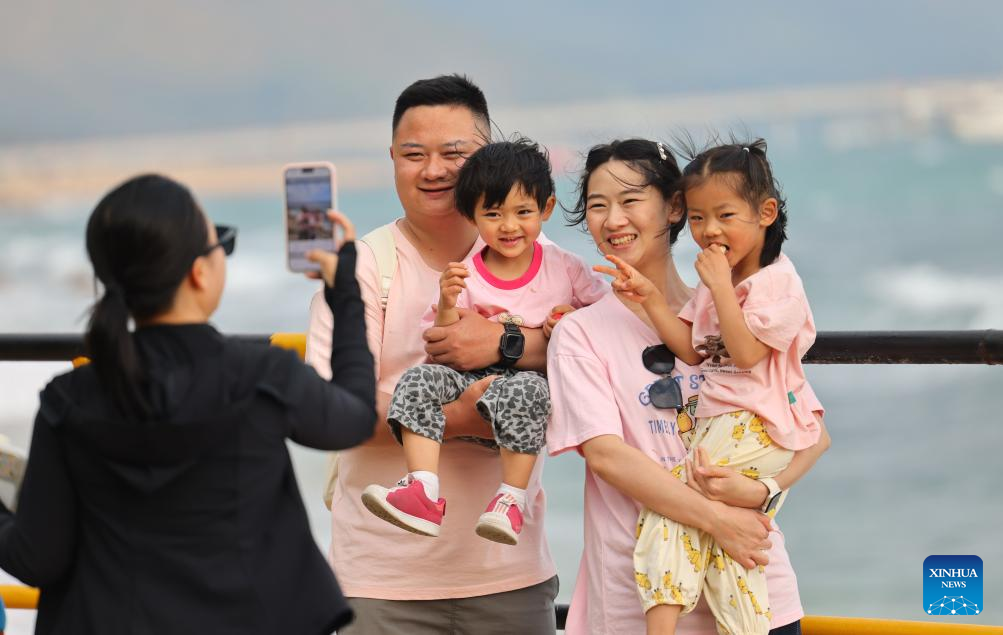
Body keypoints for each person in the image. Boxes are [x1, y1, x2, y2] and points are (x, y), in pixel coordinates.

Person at [0, 174, 375, 634]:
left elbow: (37, 558)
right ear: (199, 272)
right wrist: (346, 295)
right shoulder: (263, 374)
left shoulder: (68, 399)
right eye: (220, 243)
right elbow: (354, 418)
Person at [546, 139, 831, 635]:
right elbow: (607, 456)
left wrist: (761, 490)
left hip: (759, 586)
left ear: (675, 207)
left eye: (630, 200)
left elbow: (808, 430)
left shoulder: (739, 311)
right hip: (641, 602)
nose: (613, 219)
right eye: (597, 205)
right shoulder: (579, 332)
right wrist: (719, 520)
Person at [306, 76, 558, 634]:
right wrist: (466, 417)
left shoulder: (543, 261)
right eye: (414, 154)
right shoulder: (363, 267)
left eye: (454, 153)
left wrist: (507, 343)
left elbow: (596, 362)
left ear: (486, 154)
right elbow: (330, 413)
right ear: (393, 159)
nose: (434, 170)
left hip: (509, 575)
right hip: (381, 583)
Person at [362, 138, 607, 545]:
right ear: (472, 215)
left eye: (523, 212)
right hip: (467, 386)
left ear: (546, 208)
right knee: (417, 380)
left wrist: (570, 319)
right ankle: (422, 488)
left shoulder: (565, 268)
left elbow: (604, 319)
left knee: (529, 389)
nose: (509, 226)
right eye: (493, 214)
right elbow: (440, 344)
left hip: (522, 395)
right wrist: (447, 303)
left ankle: (511, 500)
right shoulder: (467, 272)